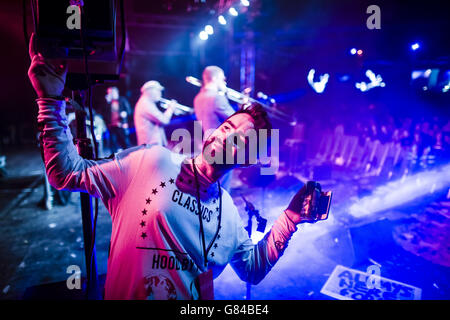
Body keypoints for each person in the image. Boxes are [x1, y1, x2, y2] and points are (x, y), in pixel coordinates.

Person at [27, 35, 328, 300]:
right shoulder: (150, 161)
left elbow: (253, 269)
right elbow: (65, 173)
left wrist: (290, 218)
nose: (226, 135)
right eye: (227, 126)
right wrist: (50, 100)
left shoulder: (229, 213)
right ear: (212, 131)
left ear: (247, 159)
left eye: (241, 139)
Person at [194, 66, 236, 190]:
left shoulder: (198, 98)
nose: (225, 82)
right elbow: (236, 119)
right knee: (222, 189)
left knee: (212, 186)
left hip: (207, 144)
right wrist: (244, 105)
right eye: (223, 79)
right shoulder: (217, 97)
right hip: (222, 148)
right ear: (216, 78)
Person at [134, 80, 177, 146]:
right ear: (151, 91)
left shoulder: (147, 103)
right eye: (158, 90)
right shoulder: (145, 104)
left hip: (153, 146)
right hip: (151, 146)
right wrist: (171, 108)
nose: (160, 94)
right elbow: (164, 120)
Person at [104, 86, 132, 153]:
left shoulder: (122, 100)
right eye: (108, 93)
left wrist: (125, 113)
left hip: (121, 125)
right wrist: (107, 102)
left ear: (116, 92)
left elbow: (129, 111)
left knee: (124, 142)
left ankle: (128, 156)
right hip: (111, 126)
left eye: (111, 93)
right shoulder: (108, 102)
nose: (109, 94)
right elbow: (104, 113)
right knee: (113, 144)